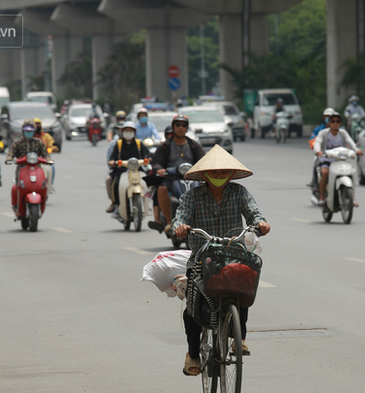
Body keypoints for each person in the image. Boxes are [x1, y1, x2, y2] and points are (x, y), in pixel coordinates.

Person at [172, 145, 271, 376]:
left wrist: (261, 223)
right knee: (192, 308)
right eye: (213, 172)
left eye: (222, 172)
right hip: (201, 259)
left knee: (243, 289)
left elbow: (254, 213)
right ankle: (193, 354)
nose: (218, 176)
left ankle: (240, 337)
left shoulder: (239, 192)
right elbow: (180, 217)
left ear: (230, 174)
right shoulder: (192, 196)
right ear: (205, 175)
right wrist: (180, 228)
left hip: (231, 256)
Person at [149, 114, 206, 234]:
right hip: (171, 177)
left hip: (191, 177)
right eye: (178, 124)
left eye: (183, 125)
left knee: (206, 190)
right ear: (173, 126)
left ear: (187, 128)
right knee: (161, 189)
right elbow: (155, 162)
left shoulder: (193, 145)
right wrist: (159, 169)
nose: (180, 127)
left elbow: (204, 159)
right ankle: (169, 222)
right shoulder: (165, 145)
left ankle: (204, 220)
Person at [313, 112, 362, 205]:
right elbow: (317, 142)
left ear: (340, 123)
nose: (335, 123)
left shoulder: (343, 133)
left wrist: (356, 150)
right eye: (333, 121)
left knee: (351, 172)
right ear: (329, 123)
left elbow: (350, 142)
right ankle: (322, 197)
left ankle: (353, 197)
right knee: (324, 172)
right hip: (326, 161)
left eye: (337, 121)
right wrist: (318, 151)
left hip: (340, 161)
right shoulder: (323, 133)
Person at [107, 121, 150, 219]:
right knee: (116, 184)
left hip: (137, 170)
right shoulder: (119, 144)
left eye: (130, 130)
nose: (128, 132)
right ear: (122, 132)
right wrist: (113, 162)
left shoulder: (139, 143)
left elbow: (147, 154)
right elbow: (112, 157)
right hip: (121, 170)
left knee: (148, 182)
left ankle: (147, 205)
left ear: (134, 132)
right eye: (126, 130)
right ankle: (116, 206)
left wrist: (149, 158)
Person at [104, 121, 126, 213]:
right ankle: (114, 203)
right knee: (111, 181)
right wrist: (112, 164)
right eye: (119, 130)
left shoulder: (137, 142)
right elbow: (110, 158)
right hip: (119, 171)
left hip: (134, 170)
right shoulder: (115, 144)